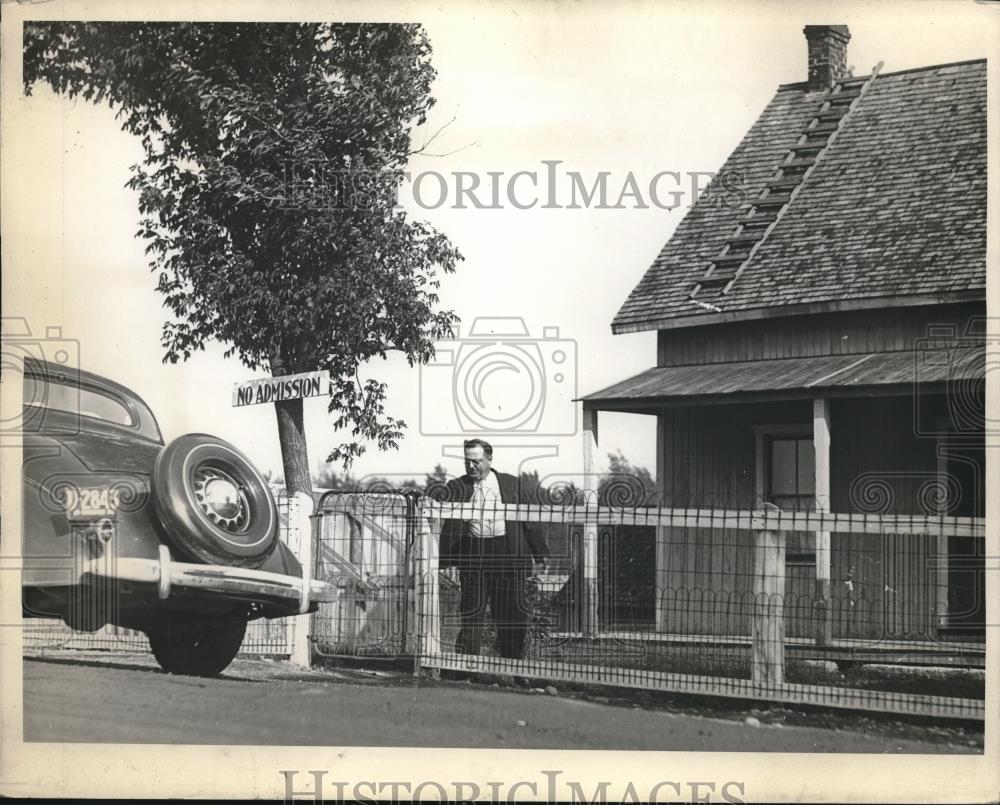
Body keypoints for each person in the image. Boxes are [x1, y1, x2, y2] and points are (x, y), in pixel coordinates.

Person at [439, 439, 549, 661]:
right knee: (472, 614)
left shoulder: (512, 484)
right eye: (467, 461)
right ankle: (467, 670)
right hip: (474, 554)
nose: (471, 466)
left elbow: (530, 522)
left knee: (512, 616)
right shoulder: (457, 486)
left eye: (477, 461)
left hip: (507, 554)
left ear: (489, 459)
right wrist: (446, 562)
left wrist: (541, 554)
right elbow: (436, 499)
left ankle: (514, 669)